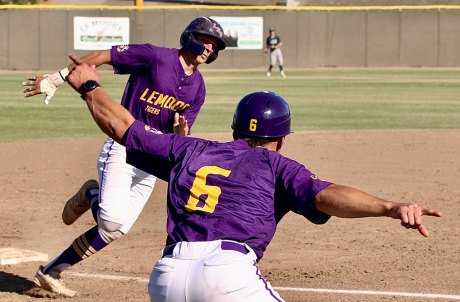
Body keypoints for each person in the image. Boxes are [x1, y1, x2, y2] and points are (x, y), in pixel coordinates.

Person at [63, 53, 441, 301]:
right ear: (280, 139)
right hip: (226, 275)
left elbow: (124, 127)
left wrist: (89, 86)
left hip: (166, 277)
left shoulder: (190, 149)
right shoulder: (278, 166)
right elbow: (325, 196)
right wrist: (389, 207)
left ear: (235, 130)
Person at [22, 17, 226, 297]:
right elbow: (103, 56)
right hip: (123, 148)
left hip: (151, 161)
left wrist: (182, 133)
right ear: (190, 36)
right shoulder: (155, 56)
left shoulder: (198, 88)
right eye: (206, 40)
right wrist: (57, 78)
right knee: (111, 221)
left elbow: (182, 136)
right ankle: (91, 193)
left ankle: (50, 273)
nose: (209, 49)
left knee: (113, 230)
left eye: (214, 46)